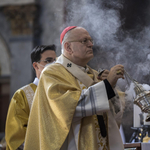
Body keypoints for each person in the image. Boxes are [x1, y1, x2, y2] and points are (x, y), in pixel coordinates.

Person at [24, 26, 125, 150]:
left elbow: (112, 113)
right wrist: (107, 85)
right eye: (84, 41)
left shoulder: (94, 73)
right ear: (68, 47)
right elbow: (69, 107)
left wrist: (111, 88)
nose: (90, 44)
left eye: (90, 40)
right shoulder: (52, 73)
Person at [5, 45, 57, 150]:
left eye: (56, 61)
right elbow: (17, 140)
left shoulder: (61, 91)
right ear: (36, 66)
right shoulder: (22, 95)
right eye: (48, 60)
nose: (53, 64)